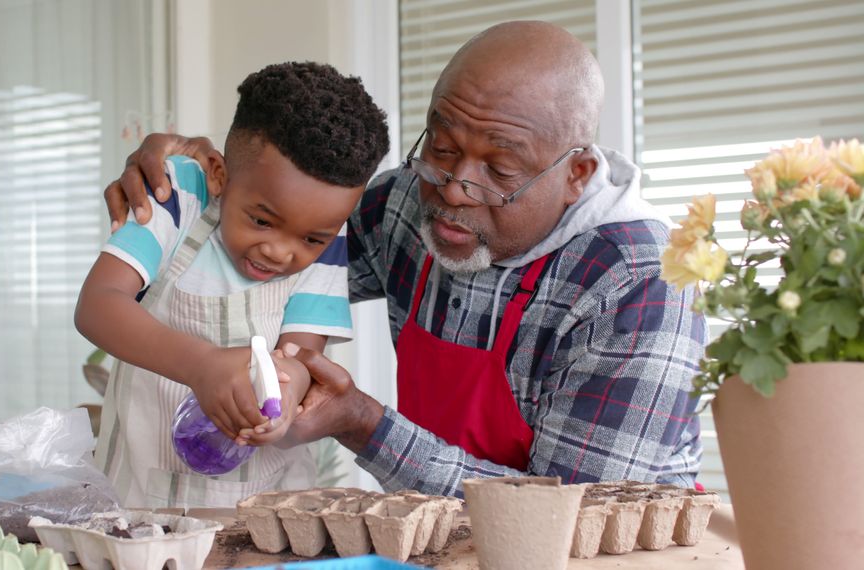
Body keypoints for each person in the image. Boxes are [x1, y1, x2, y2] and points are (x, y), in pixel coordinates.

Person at [104, 21, 706, 496]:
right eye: (441, 148)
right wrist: (184, 177)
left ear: (575, 174)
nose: (454, 189)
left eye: (498, 171)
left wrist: (364, 424)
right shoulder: (404, 205)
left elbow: (580, 522)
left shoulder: (639, 283)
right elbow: (272, 223)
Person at [77, 61, 390, 508]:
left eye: (310, 239)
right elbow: (97, 305)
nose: (281, 252)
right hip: (140, 502)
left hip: (269, 509)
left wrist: (287, 390)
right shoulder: (180, 195)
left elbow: (303, 358)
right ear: (221, 176)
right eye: (262, 220)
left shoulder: (330, 242)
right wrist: (201, 364)